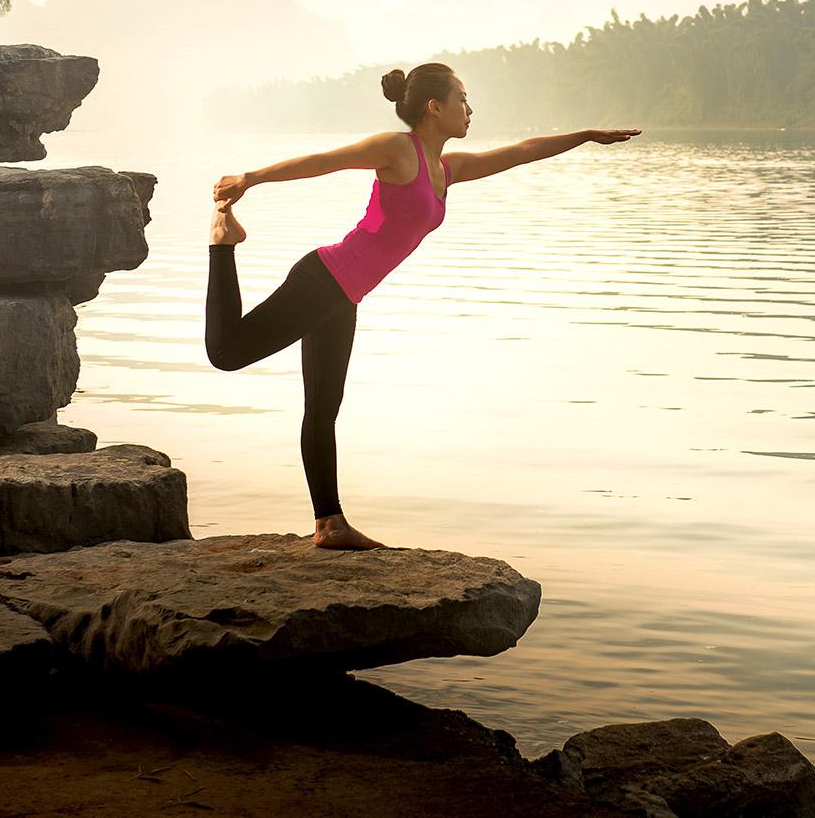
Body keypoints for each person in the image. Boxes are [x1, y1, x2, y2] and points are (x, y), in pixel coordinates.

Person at [207, 62, 641, 550]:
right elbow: (325, 160)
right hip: (323, 278)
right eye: (462, 98)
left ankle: (329, 524)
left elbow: (520, 153)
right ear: (435, 107)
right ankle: (223, 242)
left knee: (323, 410)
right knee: (227, 354)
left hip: (345, 295)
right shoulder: (397, 149)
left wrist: (585, 135)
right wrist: (251, 178)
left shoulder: (447, 169)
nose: (470, 108)